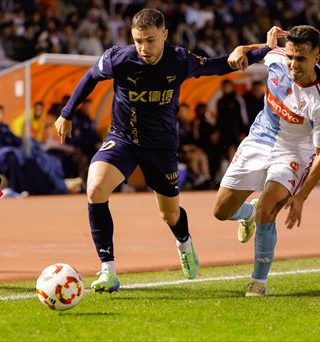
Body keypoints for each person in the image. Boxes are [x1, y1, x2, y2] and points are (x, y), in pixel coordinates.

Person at [55, 8, 270, 293]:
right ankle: (108, 270)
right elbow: (90, 78)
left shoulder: (179, 60)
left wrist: (265, 50)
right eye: (138, 40)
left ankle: (184, 242)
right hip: (123, 140)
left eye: (150, 40)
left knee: (170, 215)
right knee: (95, 189)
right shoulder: (118, 58)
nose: (144, 48)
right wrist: (67, 113)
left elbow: (218, 65)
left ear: (165, 35)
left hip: (161, 147)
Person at [212, 25, 320, 297]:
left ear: (316, 57)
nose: (293, 64)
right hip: (261, 135)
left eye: (301, 58)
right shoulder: (278, 56)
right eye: (291, 57)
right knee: (221, 211)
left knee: (268, 211)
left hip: (294, 150)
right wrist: (241, 49)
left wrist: (302, 196)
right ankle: (248, 213)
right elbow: (259, 51)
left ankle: (258, 281)